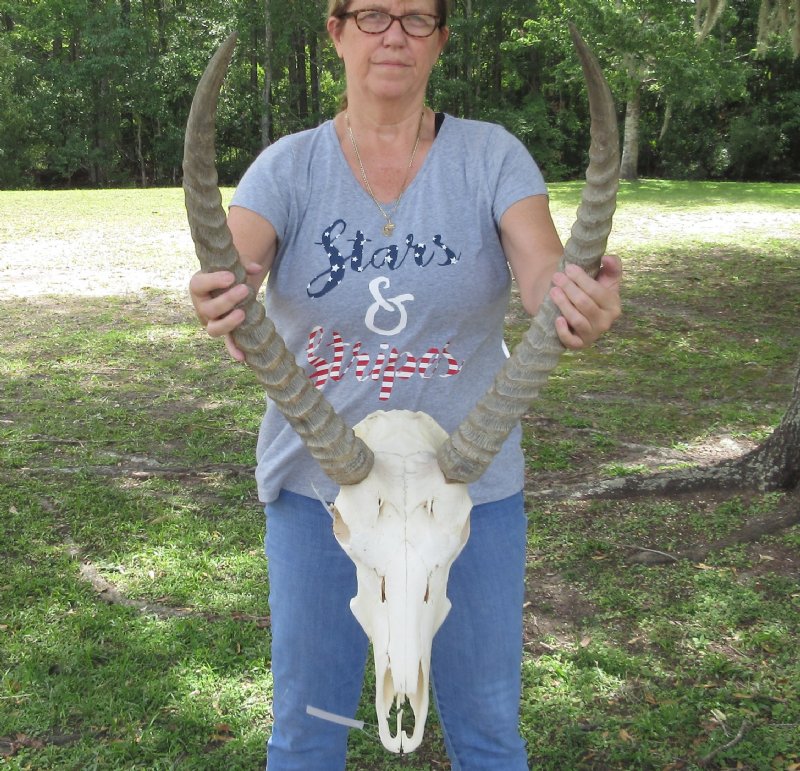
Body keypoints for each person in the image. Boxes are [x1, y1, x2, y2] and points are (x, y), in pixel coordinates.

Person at [189, 1, 622, 768]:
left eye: (418, 17)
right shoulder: (289, 166)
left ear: (442, 39)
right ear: (336, 31)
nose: (394, 32)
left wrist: (577, 295)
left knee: (488, 731)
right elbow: (238, 263)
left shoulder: (490, 157)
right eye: (372, 14)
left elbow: (541, 273)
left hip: (467, 494)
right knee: (310, 730)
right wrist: (224, 297)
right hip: (323, 495)